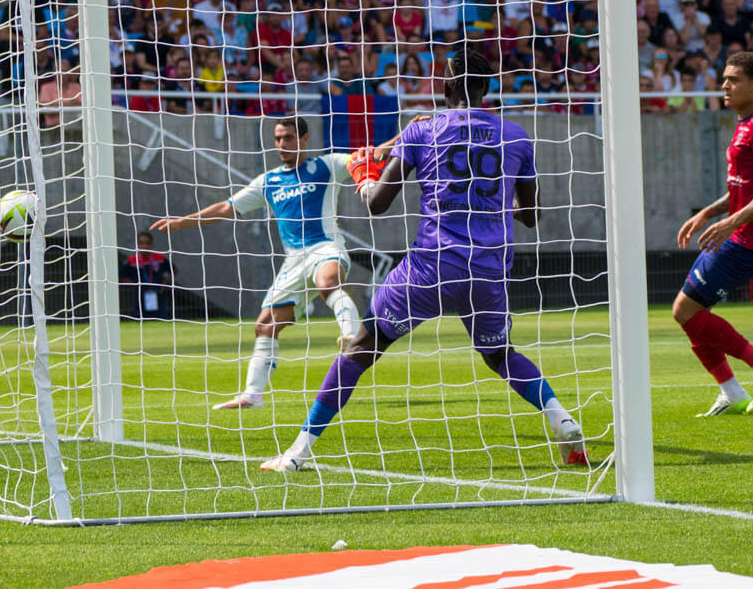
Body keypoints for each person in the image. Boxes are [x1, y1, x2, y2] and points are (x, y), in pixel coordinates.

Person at [260, 49, 587, 473]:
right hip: (488, 268)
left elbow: (377, 204)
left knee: (362, 347)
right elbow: (530, 216)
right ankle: (561, 419)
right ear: (486, 88)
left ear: (445, 85)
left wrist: (364, 176)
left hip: (431, 266)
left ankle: (297, 453)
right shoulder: (516, 136)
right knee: (500, 354)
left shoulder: (423, 131)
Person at [151, 116, 363, 410]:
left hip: (325, 247)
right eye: (277, 139)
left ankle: (353, 336)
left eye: (288, 138)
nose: (282, 144)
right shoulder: (269, 181)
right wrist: (183, 222)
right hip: (294, 261)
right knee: (265, 326)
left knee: (328, 282)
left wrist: (407, 136)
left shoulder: (328, 165)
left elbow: (368, 155)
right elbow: (226, 207)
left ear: (304, 138)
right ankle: (252, 396)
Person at [674, 51, 753, 417]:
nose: (724, 85)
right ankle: (731, 392)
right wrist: (709, 213)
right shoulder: (745, 124)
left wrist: (730, 223)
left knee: (685, 310)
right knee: (692, 314)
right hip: (736, 235)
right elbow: (744, 187)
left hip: (750, 241)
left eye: (733, 80)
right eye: (724, 78)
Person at [120, 231, 177, 319]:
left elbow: (174, 270)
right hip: (140, 294)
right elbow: (120, 277)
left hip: (158, 293)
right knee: (140, 318)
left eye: (148, 243)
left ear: (152, 245)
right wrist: (134, 284)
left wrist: (165, 283)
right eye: (141, 243)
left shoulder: (160, 258)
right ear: (137, 245)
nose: (145, 246)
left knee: (161, 318)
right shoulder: (131, 261)